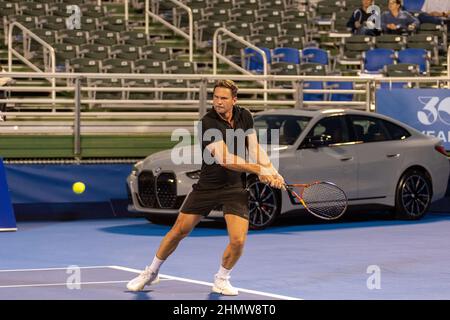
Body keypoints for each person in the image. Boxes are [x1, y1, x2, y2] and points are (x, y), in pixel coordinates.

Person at [126, 80, 285, 295]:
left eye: (223, 98)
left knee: (238, 241)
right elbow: (225, 159)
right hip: (207, 186)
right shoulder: (207, 123)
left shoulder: (244, 116)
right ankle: (151, 272)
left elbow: (255, 148)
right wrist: (259, 169)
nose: (218, 102)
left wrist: (272, 171)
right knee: (178, 231)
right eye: (216, 97)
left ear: (234, 100)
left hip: (235, 187)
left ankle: (222, 278)